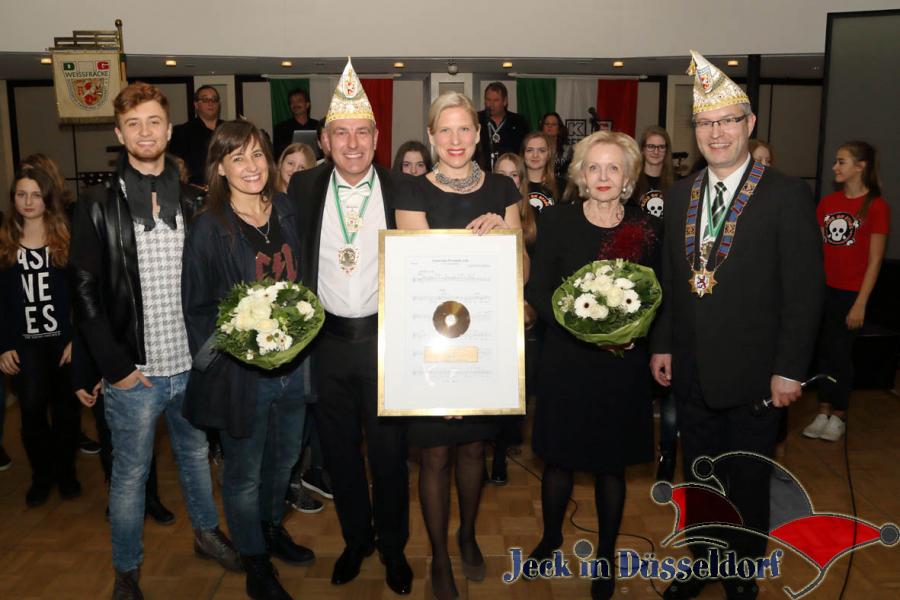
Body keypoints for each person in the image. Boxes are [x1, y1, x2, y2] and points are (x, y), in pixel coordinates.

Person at [649, 51, 824, 600]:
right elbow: (674, 283)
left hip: (756, 378)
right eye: (705, 122)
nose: (717, 132)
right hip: (693, 370)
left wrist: (791, 369)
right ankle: (704, 561)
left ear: (749, 125)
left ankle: (742, 571)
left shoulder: (786, 194)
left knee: (747, 479)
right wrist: (662, 346)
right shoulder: (681, 196)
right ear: (694, 129)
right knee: (700, 476)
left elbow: (804, 292)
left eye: (728, 121)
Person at [69, 82, 240, 599]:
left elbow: (215, 280)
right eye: (134, 124)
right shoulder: (97, 204)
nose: (146, 132)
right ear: (120, 133)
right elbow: (85, 292)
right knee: (129, 477)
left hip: (192, 365)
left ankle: (207, 536)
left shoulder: (194, 201)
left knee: (193, 457)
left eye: (154, 122)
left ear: (169, 130)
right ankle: (127, 569)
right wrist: (115, 366)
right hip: (134, 373)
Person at [287, 58, 412, 596]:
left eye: (363, 132)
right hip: (328, 343)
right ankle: (356, 540)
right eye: (342, 133)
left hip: (386, 342)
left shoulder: (405, 188)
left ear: (377, 136)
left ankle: (394, 549)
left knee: (388, 456)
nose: (353, 143)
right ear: (325, 138)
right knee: (339, 453)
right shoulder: (304, 188)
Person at [395, 91, 523, 600]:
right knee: (434, 458)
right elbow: (417, 277)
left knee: (473, 446)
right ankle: (440, 558)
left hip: (486, 343)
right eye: (444, 130)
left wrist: (502, 241)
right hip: (430, 345)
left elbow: (520, 273)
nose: (454, 139)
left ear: (478, 134)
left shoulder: (502, 189)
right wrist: (445, 371)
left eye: (464, 129)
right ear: (431, 136)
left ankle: (468, 535)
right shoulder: (411, 190)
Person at [182, 120, 314, 600]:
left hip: (296, 369)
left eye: (257, 154)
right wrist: (240, 350)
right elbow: (196, 310)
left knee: (283, 463)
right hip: (243, 376)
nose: (251, 166)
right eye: (237, 158)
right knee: (242, 473)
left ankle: (269, 529)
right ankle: (255, 561)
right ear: (220, 167)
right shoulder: (208, 228)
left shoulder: (286, 209)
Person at [525, 131, 657, 600]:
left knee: (610, 466)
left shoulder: (644, 227)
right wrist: (574, 324)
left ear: (628, 177)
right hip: (567, 358)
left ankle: (605, 555)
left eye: (613, 168)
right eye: (594, 168)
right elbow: (537, 289)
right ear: (580, 175)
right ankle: (549, 538)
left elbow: (658, 296)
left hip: (621, 366)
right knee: (558, 461)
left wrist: (634, 330)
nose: (603, 177)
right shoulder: (557, 222)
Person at [0, 166, 80, 507]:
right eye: (21, 194)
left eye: (35, 194)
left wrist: (77, 338)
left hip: (62, 341)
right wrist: (3, 345)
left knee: (66, 412)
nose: (28, 201)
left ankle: (66, 473)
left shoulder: (65, 237)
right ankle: (41, 475)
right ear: (13, 198)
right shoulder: (4, 241)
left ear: (48, 198)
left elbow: (81, 294)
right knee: (31, 412)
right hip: (24, 345)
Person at [804, 141, 889, 442]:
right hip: (823, 289)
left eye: (841, 162)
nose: (835, 168)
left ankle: (839, 414)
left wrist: (861, 303)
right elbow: (816, 250)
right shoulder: (828, 203)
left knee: (841, 355)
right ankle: (822, 410)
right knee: (824, 352)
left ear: (860, 166)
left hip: (852, 293)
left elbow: (875, 260)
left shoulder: (876, 206)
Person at [170, 85, 224, 186]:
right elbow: (176, 166)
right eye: (205, 99)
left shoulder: (228, 129)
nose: (210, 103)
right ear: (196, 105)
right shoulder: (182, 131)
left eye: (214, 99)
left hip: (227, 189)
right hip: (196, 191)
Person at [476, 82, 530, 171]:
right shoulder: (476, 119)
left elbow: (524, 150)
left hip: (510, 173)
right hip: (482, 173)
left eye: (496, 100)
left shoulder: (518, 121)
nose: (491, 104)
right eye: (488, 99)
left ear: (505, 101)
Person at [632, 126, 674, 220]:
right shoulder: (632, 182)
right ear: (642, 149)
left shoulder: (677, 183)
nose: (656, 152)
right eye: (651, 146)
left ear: (666, 150)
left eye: (661, 147)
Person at [273, 88, 320, 160]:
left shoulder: (318, 126)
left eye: (299, 100)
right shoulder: (281, 128)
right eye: (292, 102)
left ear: (307, 104)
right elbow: (277, 154)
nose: (295, 104)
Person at [522, 132, 560, 211]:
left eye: (541, 150)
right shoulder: (513, 185)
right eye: (529, 150)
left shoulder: (562, 186)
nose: (535, 155)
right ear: (523, 154)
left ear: (549, 155)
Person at [539, 111, 572, 181]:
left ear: (559, 129)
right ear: (542, 127)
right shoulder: (536, 149)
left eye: (554, 124)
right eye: (547, 124)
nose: (549, 126)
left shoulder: (568, 150)